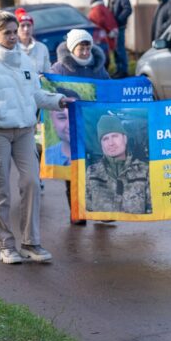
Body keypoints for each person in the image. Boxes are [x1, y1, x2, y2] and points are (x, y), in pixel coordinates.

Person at [0, 10, 71, 265]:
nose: (13, 37)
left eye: (15, 32)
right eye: (7, 33)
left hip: (24, 131)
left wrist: (59, 101)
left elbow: (36, 95)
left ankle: (31, 243)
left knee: (32, 182)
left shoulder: (25, 61)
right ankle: (6, 246)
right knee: (0, 189)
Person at [50, 29, 110, 224]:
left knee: (98, 168)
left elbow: (110, 88)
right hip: (71, 126)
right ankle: (77, 211)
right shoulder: (59, 69)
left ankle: (101, 211)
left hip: (93, 124)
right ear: (71, 48)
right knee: (73, 171)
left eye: (87, 47)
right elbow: (49, 90)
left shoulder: (98, 67)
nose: (85, 52)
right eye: (80, 48)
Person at [85, 114, 151, 214]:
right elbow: (87, 210)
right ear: (101, 144)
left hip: (136, 229)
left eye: (115, 136)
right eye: (105, 139)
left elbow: (152, 210)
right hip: (104, 229)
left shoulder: (144, 171)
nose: (111, 143)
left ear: (125, 139)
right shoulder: (92, 173)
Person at [43, 87, 79, 167]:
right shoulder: (47, 158)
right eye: (62, 118)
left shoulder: (96, 156)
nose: (69, 125)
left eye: (74, 116)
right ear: (52, 121)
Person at [107, 0, 132, 78]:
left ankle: (124, 70)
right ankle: (118, 69)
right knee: (115, 49)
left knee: (120, 48)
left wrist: (117, 20)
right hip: (113, 27)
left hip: (119, 26)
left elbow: (128, 9)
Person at [87, 0, 118, 71]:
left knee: (101, 56)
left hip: (101, 37)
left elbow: (100, 21)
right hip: (109, 35)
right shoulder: (104, 8)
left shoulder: (95, 10)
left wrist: (108, 31)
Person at [15, 8, 50, 74]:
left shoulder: (42, 48)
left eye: (28, 25)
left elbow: (47, 72)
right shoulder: (12, 49)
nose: (26, 29)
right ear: (16, 28)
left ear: (33, 27)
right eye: (22, 26)